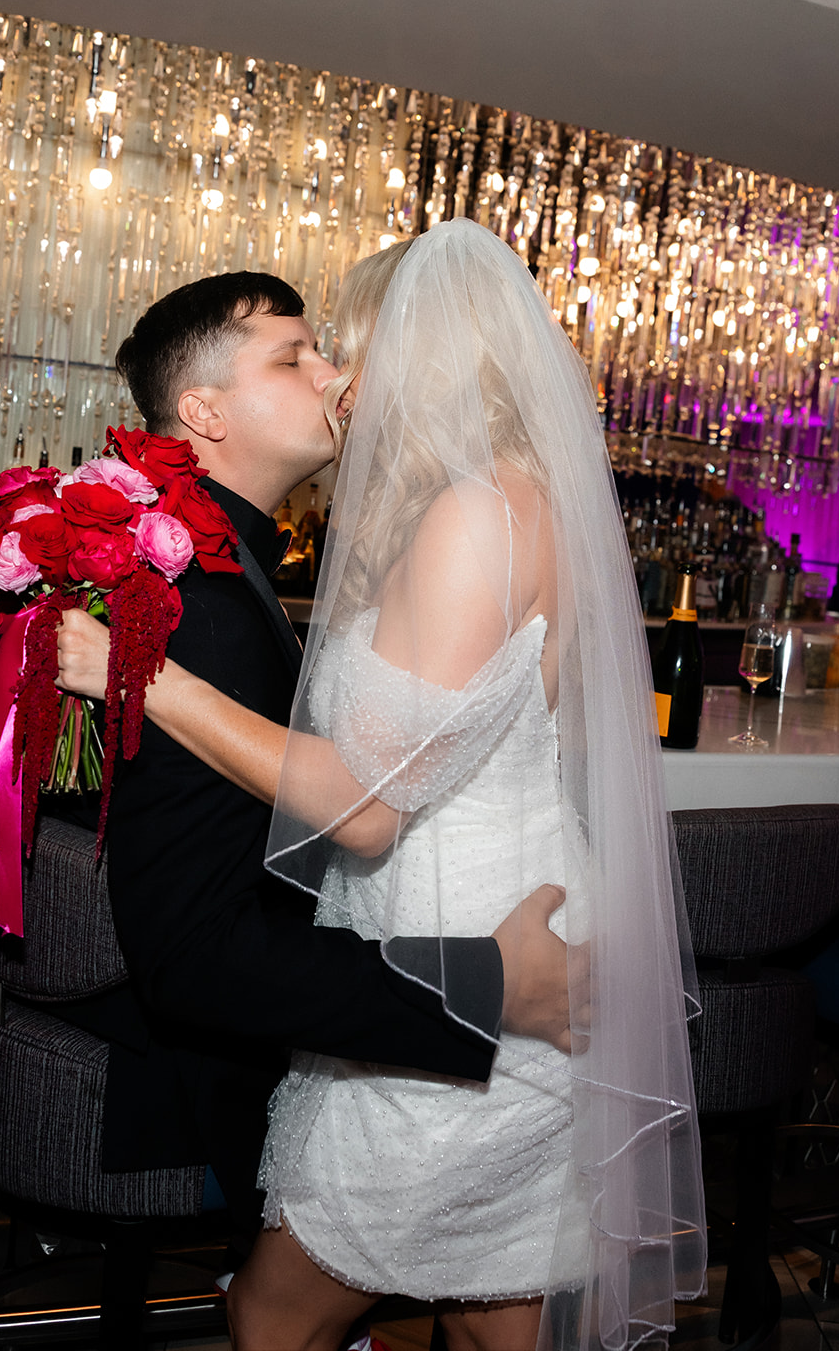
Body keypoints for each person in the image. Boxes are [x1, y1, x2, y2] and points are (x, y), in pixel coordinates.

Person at [60, 226, 706, 1351]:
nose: (336, 377)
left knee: (273, 1315)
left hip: (476, 949)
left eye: (347, 347)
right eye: (308, 354)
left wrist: (145, 679)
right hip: (487, 930)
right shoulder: (499, 499)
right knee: (492, 1315)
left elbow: (365, 807)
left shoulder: (470, 515)